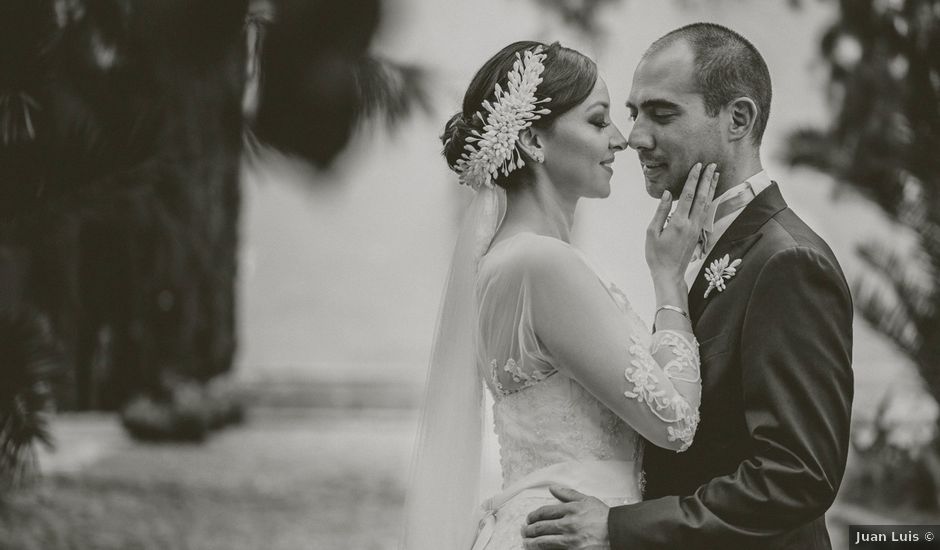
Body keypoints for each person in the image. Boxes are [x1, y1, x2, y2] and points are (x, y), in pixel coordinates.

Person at [523, 23, 854, 550]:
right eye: (633, 113)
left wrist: (620, 527)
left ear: (737, 119)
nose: (634, 137)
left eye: (662, 113)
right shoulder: (689, 248)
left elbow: (798, 475)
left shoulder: (788, 262)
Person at [401, 40, 718, 550]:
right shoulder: (542, 263)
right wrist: (668, 279)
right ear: (531, 140)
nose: (621, 140)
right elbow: (675, 423)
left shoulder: (506, 261)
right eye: (598, 121)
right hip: (570, 533)